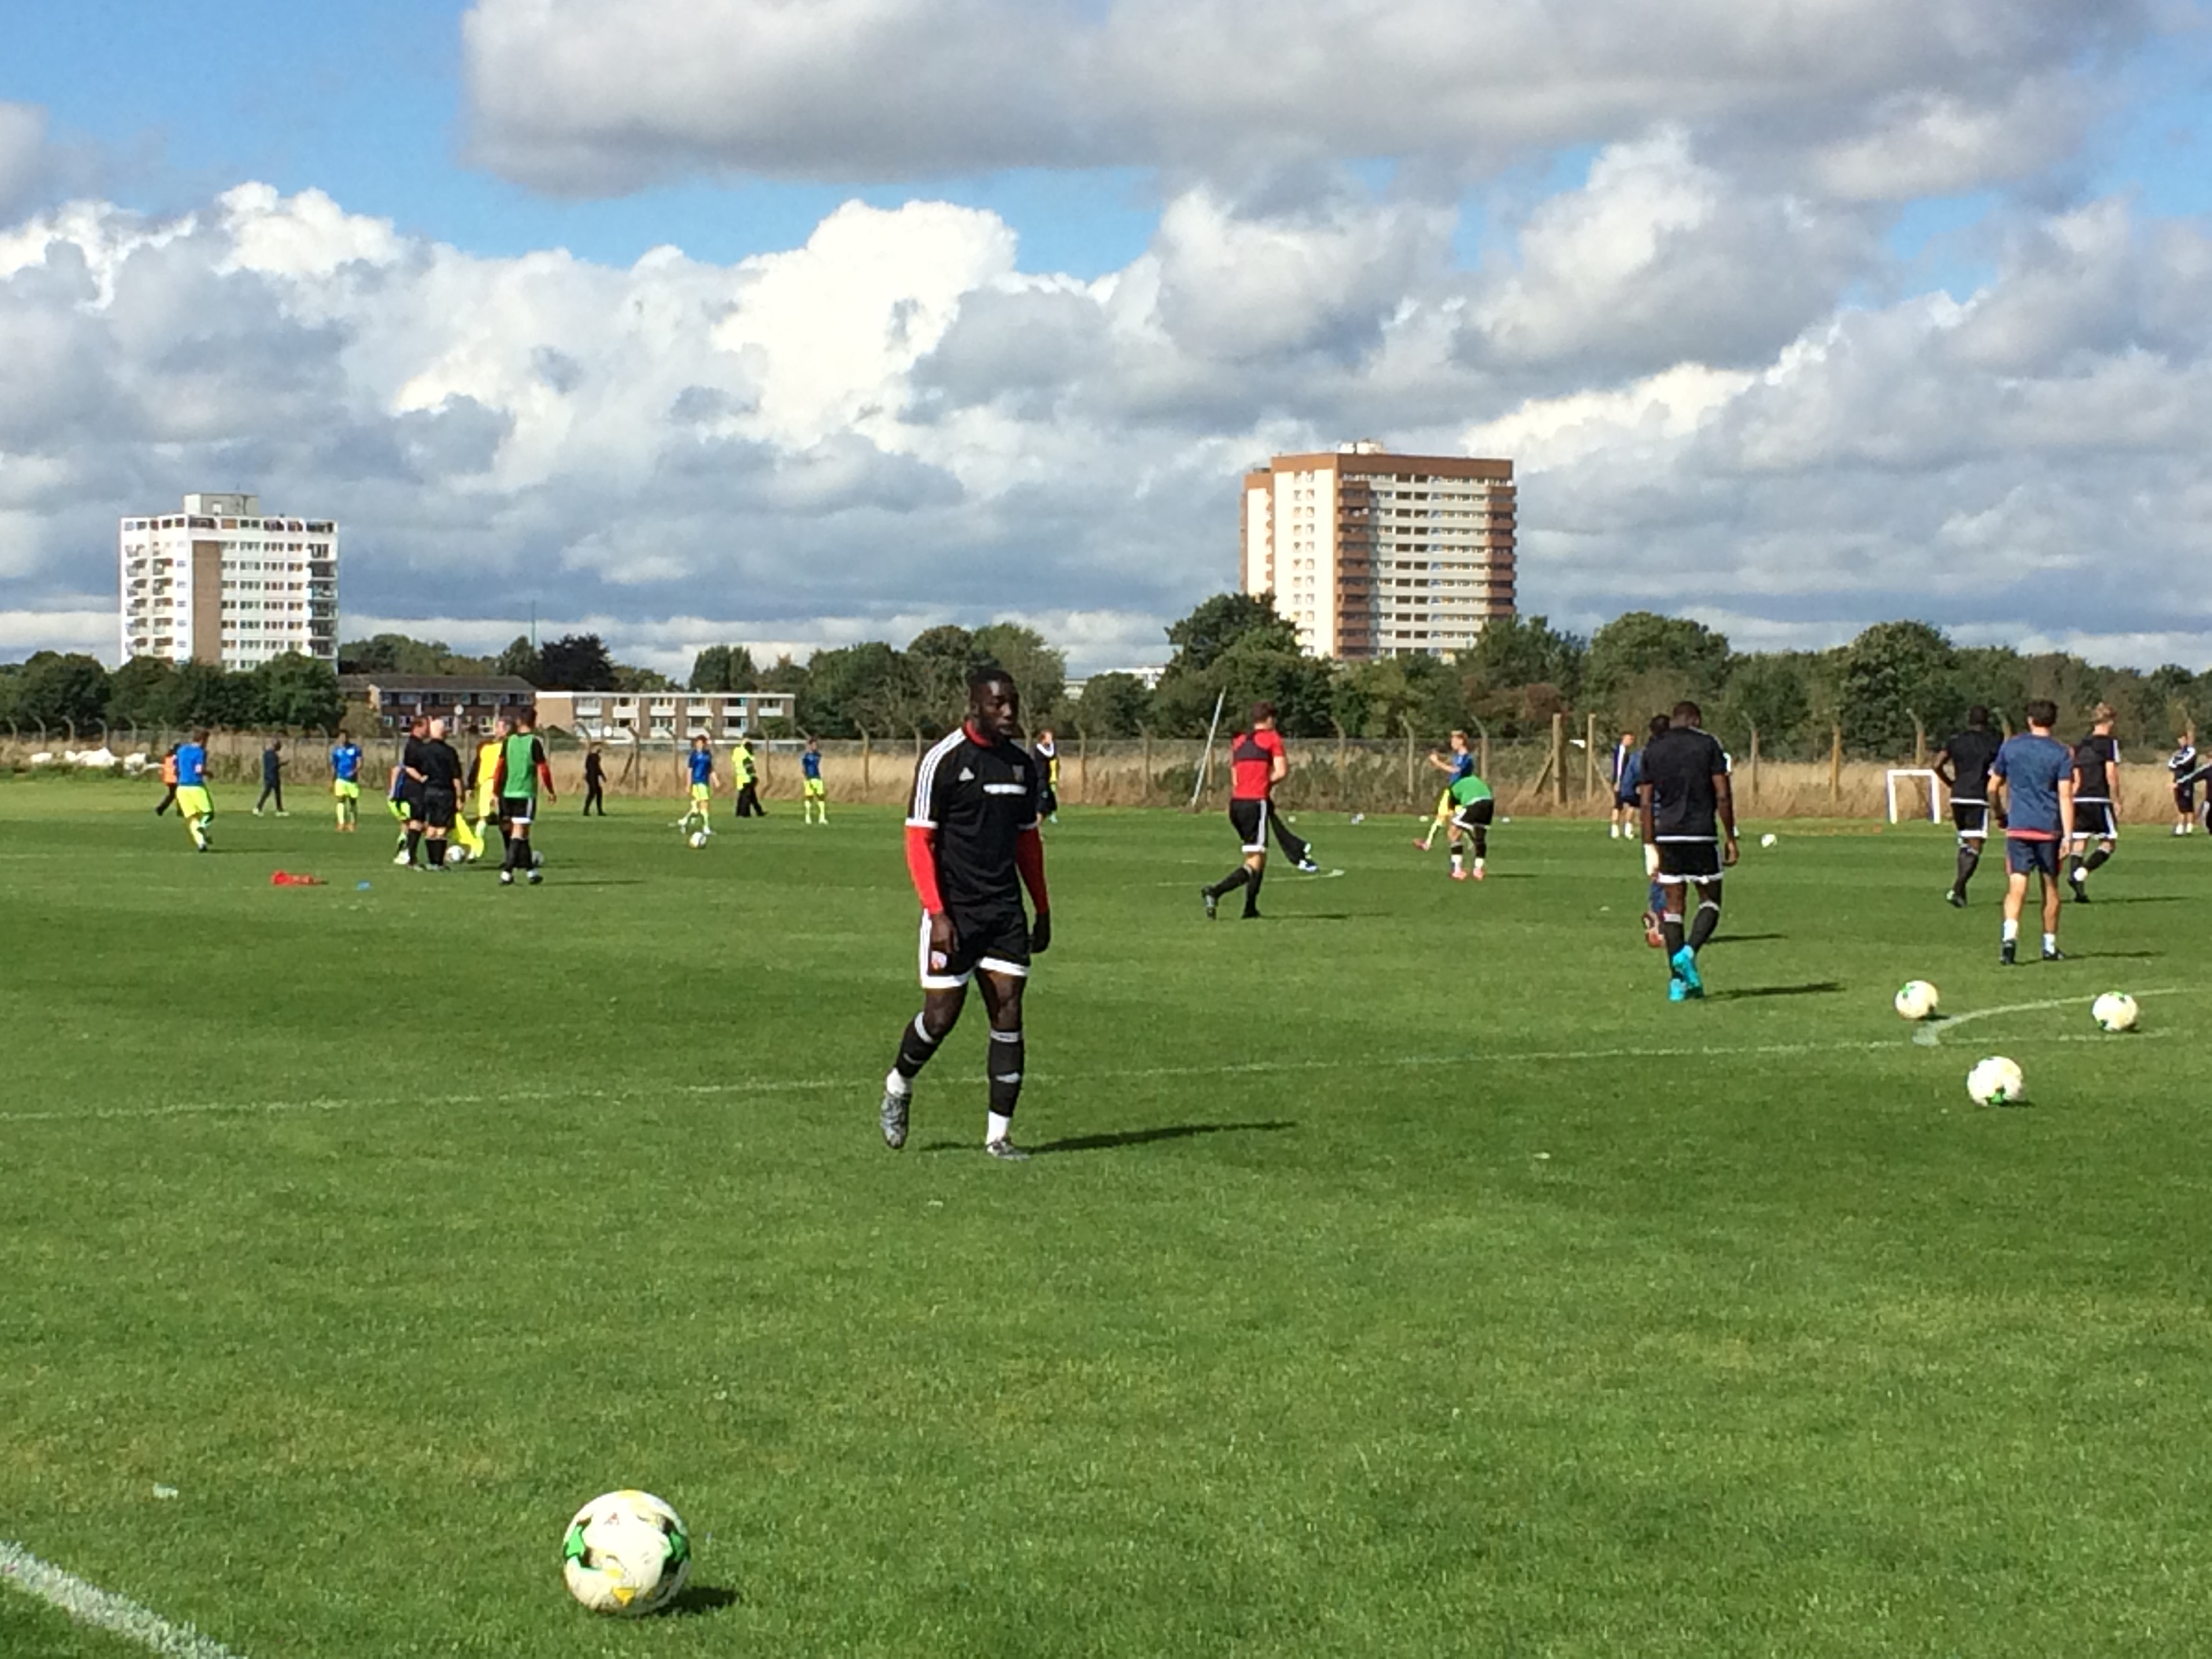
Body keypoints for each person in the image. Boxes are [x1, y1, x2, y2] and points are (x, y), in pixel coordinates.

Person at [878, 667, 1050, 1161]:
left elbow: (1028, 843)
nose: (1009, 712)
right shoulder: (943, 761)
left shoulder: (1021, 766)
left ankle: (998, 1137)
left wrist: (1042, 906)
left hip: (1004, 912)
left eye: (1012, 702)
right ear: (974, 705)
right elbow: (918, 840)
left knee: (1008, 1011)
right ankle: (899, 1082)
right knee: (941, 1017)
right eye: (998, 704)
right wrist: (937, 913)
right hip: (955, 913)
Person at [1639, 701, 1737, 1002]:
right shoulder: (1708, 744)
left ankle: (1678, 984)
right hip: (1700, 833)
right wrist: (1730, 837)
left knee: (1673, 908)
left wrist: (1649, 843)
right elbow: (1722, 794)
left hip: (1667, 834)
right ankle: (1688, 952)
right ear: (1695, 719)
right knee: (1711, 899)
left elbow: (1645, 802)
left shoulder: (1653, 749)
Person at [1200, 700, 1307, 919]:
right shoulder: (1272, 739)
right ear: (1270, 719)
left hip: (1236, 804)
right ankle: (1215, 891)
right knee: (1255, 861)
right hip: (1255, 803)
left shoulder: (1239, 741)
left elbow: (1235, 777)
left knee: (1257, 855)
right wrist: (1264, 784)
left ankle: (1250, 908)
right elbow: (1281, 771)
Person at [1989, 699, 2076, 964]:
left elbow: (1992, 787)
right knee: (2050, 887)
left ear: (2029, 720)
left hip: (2018, 827)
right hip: (2048, 829)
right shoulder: (2060, 753)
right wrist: (2069, 835)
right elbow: (2065, 796)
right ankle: (2049, 945)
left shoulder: (2011, 747)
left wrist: (1999, 814)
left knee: (2017, 885)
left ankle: (2009, 940)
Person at [1933, 705, 2003, 907]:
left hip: (1958, 796)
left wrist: (1950, 783)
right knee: (1976, 845)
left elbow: (1936, 764)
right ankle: (1957, 887)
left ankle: (1961, 893)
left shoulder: (1956, 740)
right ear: (1987, 721)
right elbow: (2000, 768)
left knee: (1965, 843)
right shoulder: (1991, 742)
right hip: (1977, 797)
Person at [493, 707, 555, 886]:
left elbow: (499, 768)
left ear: (519, 722)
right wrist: (550, 790)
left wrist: (496, 790)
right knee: (518, 833)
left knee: (523, 834)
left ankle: (531, 872)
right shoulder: (534, 742)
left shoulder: (508, 741)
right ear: (534, 722)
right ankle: (507, 872)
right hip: (524, 793)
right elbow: (543, 768)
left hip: (507, 793)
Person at [2068, 703, 2120, 903]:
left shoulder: (2081, 744)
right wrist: (2116, 799)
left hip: (2079, 798)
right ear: (2110, 721)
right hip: (2099, 797)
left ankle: (2079, 893)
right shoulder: (2109, 743)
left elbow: (2075, 773)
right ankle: (2081, 873)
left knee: (2079, 843)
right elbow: (2111, 773)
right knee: (2109, 843)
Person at [1630, 713, 1671, 948]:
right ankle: (1659, 916)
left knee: (1658, 869)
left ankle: (1658, 914)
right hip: (1674, 818)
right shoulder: (1678, 757)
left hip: (1649, 819)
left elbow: (1626, 791)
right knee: (1669, 871)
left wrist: (1641, 805)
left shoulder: (1638, 757)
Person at [415, 717, 465, 871]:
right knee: (442, 827)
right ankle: (439, 862)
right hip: (445, 792)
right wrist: (460, 796)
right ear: (444, 732)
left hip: (428, 791)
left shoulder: (423, 751)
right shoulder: (450, 752)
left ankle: (432, 861)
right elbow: (456, 776)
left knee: (431, 826)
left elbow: (415, 769)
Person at [1414, 731, 1476, 854]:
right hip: (1451, 790)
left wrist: (1437, 762)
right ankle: (1428, 843)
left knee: (1458, 822)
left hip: (1459, 793)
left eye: (1454, 740)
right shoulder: (1457, 756)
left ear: (1461, 741)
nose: (1452, 743)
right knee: (1441, 817)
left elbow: (1455, 771)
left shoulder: (1466, 758)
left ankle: (1474, 843)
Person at [1443, 763, 1494, 882]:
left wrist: (1453, 828)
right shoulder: (1476, 780)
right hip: (1489, 804)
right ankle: (1478, 869)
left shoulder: (1454, 787)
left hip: (1475, 804)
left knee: (1453, 833)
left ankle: (1457, 870)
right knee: (1480, 837)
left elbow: (1451, 814)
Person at [396, 714, 435, 869]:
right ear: (418, 727)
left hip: (419, 788)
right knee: (416, 821)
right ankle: (410, 855)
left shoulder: (421, 744)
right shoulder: (413, 745)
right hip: (414, 788)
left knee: (420, 821)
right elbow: (408, 766)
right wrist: (421, 779)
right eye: (427, 725)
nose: (428, 729)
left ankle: (411, 854)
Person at [468, 716, 510, 858]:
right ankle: (475, 850)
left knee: (504, 820)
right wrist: (470, 786)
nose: (498, 730)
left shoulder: (510, 746)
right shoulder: (485, 746)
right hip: (486, 785)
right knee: (483, 818)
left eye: (502, 727)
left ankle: (510, 854)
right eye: (497, 727)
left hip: (503, 786)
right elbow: (476, 765)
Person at [173, 729, 214, 852]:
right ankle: (202, 827)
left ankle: (201, 843)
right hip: (196, 787)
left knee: (192, 818)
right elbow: (198, 770)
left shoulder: (181, 750)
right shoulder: (200, 752)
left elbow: (176, 767)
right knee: (209, 813)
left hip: (181, 788)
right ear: (203, 740)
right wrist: (209, 773)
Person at [683, 735, 718, 838]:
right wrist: (688, 784)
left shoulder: (708, 755)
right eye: (698, 743)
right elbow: (689, 770)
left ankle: (684, 821)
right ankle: (706, 828)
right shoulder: (694, 755)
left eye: (702, 743)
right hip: (697, 783)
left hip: (705, 782)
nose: (700, 745)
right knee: (704, 805)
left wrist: (715, 780)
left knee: (697, 809)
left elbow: (710, 768)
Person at [329, 729, 363, 832]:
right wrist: (332, 780)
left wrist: (354, 771)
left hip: (352, 780)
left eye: (345, 737)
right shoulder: (336, 751)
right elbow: (334, 767)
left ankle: (352, 823)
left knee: (353, 801)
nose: (343, 739)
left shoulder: (355, 749)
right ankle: (341, 823)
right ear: (339, 738)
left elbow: (360, 763)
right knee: (341, 800)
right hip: (340, 779)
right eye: (341, 737)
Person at [1608, 729, 1639, 838]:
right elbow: (1619, 768)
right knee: (1619, 805)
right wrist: (1618, 781)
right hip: (1622, 782)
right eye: (1630, 739)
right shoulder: (1621, 751)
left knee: (1631, 804)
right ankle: (1616, 829)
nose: (1632, 741)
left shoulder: (1627, 752)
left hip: (1628, 782)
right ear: (1624, 739)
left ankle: (1627, 829)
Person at [2168, 729, 2199, 836]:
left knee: (2188, 804)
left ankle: (2189, 827)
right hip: (2177, 781)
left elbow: (2186, 763)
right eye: (2179, 740)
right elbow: (2171, 764)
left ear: (2186, 740)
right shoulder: (2178, 753)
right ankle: (2180, 827)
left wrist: (2178, 764)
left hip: (2187, 781)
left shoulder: (2191, 751)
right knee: (2180, 804)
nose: (2181, 742)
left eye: (2182, 739)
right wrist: (2177, 764)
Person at [731, 737, 764, 818]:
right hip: (747, 777)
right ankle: (744, 813)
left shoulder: (737, 752)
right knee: (746, 797)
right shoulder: (745, 753)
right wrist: (753, 776)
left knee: (746, 796)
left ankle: (758, 811)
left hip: (740, 777)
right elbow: (748, 766)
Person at [1033, 726, 1061, 823]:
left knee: (1050, 806)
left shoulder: (1047, 748)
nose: (1051, 740)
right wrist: (1052, 745)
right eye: (1049, 737)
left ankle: (1039, 828)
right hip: (1040, 781)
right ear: (1043, 738)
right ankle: (1037, 830)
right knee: (1041, 806)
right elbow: (1051, 755)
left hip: (1046, 780)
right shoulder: (1039, 748)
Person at [253, 738, 286, 816]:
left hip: (269, 775)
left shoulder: (267, 753)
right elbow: (275, 766)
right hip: (272, 777)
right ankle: (258, 808)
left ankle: (279, 809)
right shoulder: (273, 755)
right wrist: (283, 764)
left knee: (277, 793)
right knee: (267, 793)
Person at [800, 737, 828, 825]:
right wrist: (806, 778)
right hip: (810, 779)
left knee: (821, 797)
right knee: (809, 797)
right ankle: (808, 817)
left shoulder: (818, 755)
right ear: (810, 745)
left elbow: (818, 762)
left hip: (818, 778)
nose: (816, 746)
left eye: (816, 744)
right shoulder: (806, 756)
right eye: (814, 744)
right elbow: (803, 768)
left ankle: (822, 817)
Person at [152, 743, 180, 816]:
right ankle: (180, 810)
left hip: (168, 779)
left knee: (172, 795)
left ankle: (161, 808)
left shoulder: (167, 757)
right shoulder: (176, 757)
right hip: (175, 778)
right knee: (178, 794)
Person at [581, 744, 607, 815]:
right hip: (592, 777)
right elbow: (594, 768)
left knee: (597, 793)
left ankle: (597, 811)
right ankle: (587, 811)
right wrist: (601, 776)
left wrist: (602, 776)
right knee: (592, 793)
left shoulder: (594, 756)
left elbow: (597, 768)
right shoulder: (593, 757)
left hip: (592, 777)